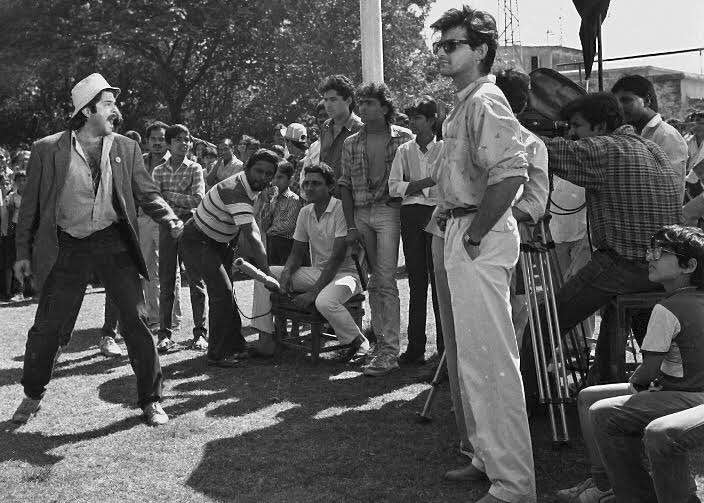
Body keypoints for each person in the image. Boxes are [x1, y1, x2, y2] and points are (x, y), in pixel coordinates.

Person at [11, 73, 182, 426]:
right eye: (107, 104)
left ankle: (152, 400)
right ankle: (32, 394)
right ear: (87, 110)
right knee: (47, 327)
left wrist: (168, 217)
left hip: (111, 240)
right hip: (66, 243)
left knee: (137, 321)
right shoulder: (47, 149)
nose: (115, 110)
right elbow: (30, 209)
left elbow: (146, 192)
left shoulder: (125, 147)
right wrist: (22, 254)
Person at [429, 7, 535, 502]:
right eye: (441, 46)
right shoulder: (464, 102)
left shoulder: (487, 100)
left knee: (492, 361)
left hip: (479, 231)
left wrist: (473, 235)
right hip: (463, 228)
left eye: (452, 45)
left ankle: (513, 484)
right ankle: (488, 457)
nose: (443, 53)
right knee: (472, 358)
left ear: (481, 50)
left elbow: (512, 174)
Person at [536, 92, 682, 386]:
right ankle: (606, 384)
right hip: (662, 269)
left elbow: (539, 151)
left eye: (577, 126)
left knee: (544, 323)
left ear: (600, 126)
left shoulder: (605, 149)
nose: (573, 134)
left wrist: (516, 125)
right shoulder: (653, 148)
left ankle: (527, 398)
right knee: (625, 321)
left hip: (624, 266)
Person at [557, 225, 704, 503]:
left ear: (689, 265)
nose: (649, 257)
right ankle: (609, 483)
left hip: (686, 396)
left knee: (604, 412)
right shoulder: (693, 299)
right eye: (651, 250)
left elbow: (647, 373)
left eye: (660, 252)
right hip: (687, 393)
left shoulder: (666, 308)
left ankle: (635, 495)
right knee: (590, 399)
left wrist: (639, 386)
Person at [251, 163, 370, 360]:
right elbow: (296, 253)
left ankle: (359, 342)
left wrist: (313, 293)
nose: (309, 188)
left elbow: (337, 257)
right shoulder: (305, 211)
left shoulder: (341, 209)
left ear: (330, 187)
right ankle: (266, 340)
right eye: (306, 183)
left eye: (316, 183)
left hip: (349, 275)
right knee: (266, 276)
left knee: (324, 301)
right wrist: (287, 272)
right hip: (319, 272)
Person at [339, 82, 412, 377]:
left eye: (370, 102)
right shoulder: (351, 143)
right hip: (361, 212)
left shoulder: (403, 139)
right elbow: (344, 184)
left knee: (385, 278)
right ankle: (381, 345)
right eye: (362, 102)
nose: (364, 107)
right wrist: (351, 225)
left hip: (389, 212)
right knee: (372, 281)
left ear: (384, 107)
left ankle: (389, 350)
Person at [180, 149, 277, 367]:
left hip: (220, 242)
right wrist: (267, 273)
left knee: (226, 292)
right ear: (246, 168)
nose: (263, 177)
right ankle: (217, 353)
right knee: (222, 293)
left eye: (268, 174)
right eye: (259, 171)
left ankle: (236, 345)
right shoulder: (235, 189)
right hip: (198, 240)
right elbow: (252, 235)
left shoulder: (250, 187)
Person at [493, 69, 550, 345]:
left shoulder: (531, 143)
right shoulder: (471, 136)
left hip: (514, 241)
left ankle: (514, 376)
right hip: (468, 237)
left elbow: (535, 203)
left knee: (516, 310)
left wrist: (493, 215)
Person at [388, 95, 444, 364]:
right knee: (417, 282)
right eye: (411, 118)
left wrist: (413, 185)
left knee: (440, 282)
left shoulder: (445, 148)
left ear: (432, 120)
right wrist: (426, 182)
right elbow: (394, 188)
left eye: (418, 118)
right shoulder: (404, 150)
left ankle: (445, 348)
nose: (412, 123)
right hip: (412, 215)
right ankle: (415, 348)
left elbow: (442, 186)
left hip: (437, 213)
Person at [152, 124, 207, 353]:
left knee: (196, 281)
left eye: (187, 140)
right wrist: (169, 204)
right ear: (169, 143)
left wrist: (169, 196)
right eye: (179, 140)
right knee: (166, 282)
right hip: (167, 228)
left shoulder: (195, 168)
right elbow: (155, 202)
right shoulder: (158, 171)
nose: (184, 144)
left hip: (190, 227)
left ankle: (200, 334)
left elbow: (197, 200)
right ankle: (164, 335)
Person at [612, 75, 688, 197]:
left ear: (647, 100)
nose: (620, 107)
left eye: (626, 100)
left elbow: (671, 187)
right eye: (617, 102)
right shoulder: (626, 134)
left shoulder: (667, 136)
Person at [318, 75, 363, 180]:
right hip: (327, 193)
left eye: (333, 100)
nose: (328, 105)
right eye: (326, 100)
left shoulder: (361, 129)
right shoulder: (326, 126)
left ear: (348, 100)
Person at [258, 161, 302, 265]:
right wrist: (268, 203)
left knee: (283, 272)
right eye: (273, 178)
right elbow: (264, 225)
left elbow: (288, 226)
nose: (275, 181)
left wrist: (269, 231)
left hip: (286, 244)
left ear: (289, 180)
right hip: (272, 242)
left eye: (280, 177)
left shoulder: (293, 199)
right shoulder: (273, 198)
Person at [1, 171, 27, 301]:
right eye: (19, 180)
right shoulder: (12, 196)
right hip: (16, 229)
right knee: (14, 260)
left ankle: (29, 290)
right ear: (15, 182)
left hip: (29, 230)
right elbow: (9, 216)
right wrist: (9, 232)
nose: (22, 183)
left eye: (24, 180)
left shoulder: (31, 196)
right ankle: (16, 291)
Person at [281, 123, 308, 197]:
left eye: (285, 140)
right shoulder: (292, 159)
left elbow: (294, 190)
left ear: (289, 142)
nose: (285, 144)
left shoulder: (303, 161)